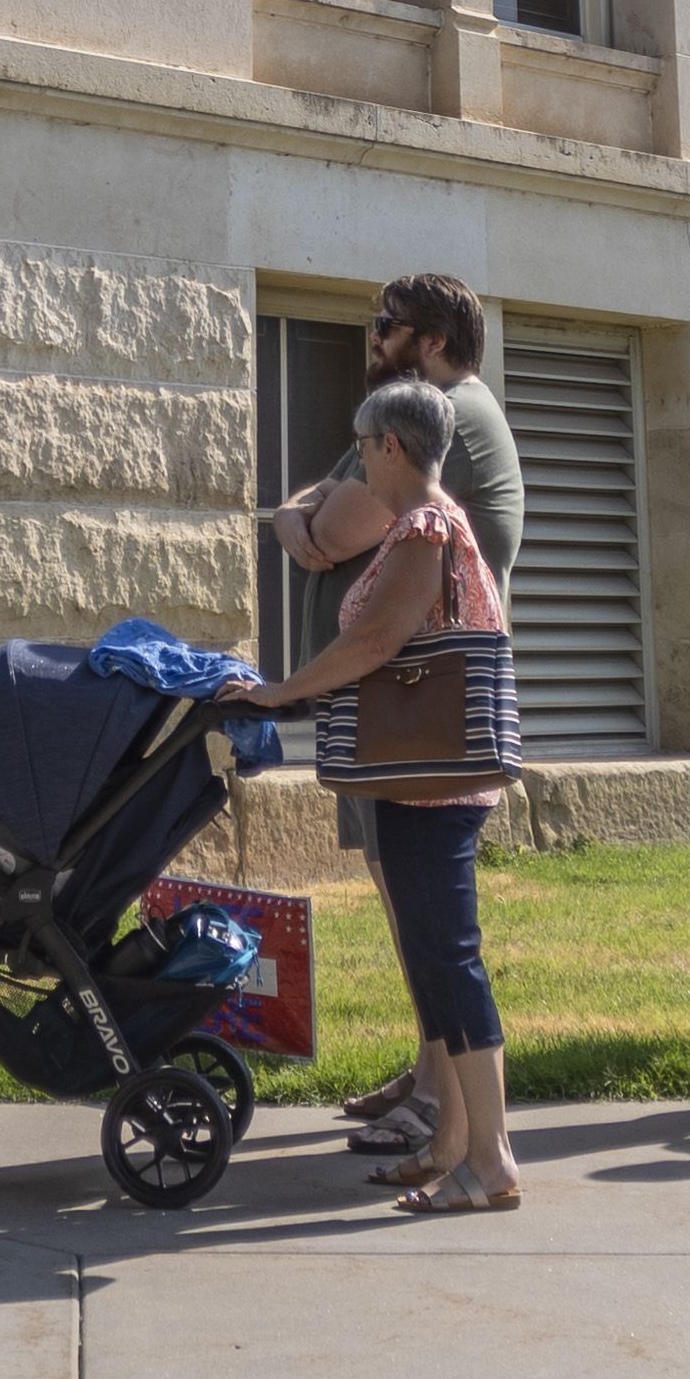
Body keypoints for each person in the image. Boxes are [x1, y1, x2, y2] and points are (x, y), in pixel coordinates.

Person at [230, 378, 527, 1212]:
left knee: (452, 959)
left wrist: (281, 693)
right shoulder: (417, 525)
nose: (357, 462)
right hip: (417, 779)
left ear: (389, 446)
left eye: (361, 447)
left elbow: (376, 641)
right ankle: (451, 1143)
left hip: (434, 784)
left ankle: (493, 1159)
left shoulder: (426, 524)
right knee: (436, 961)